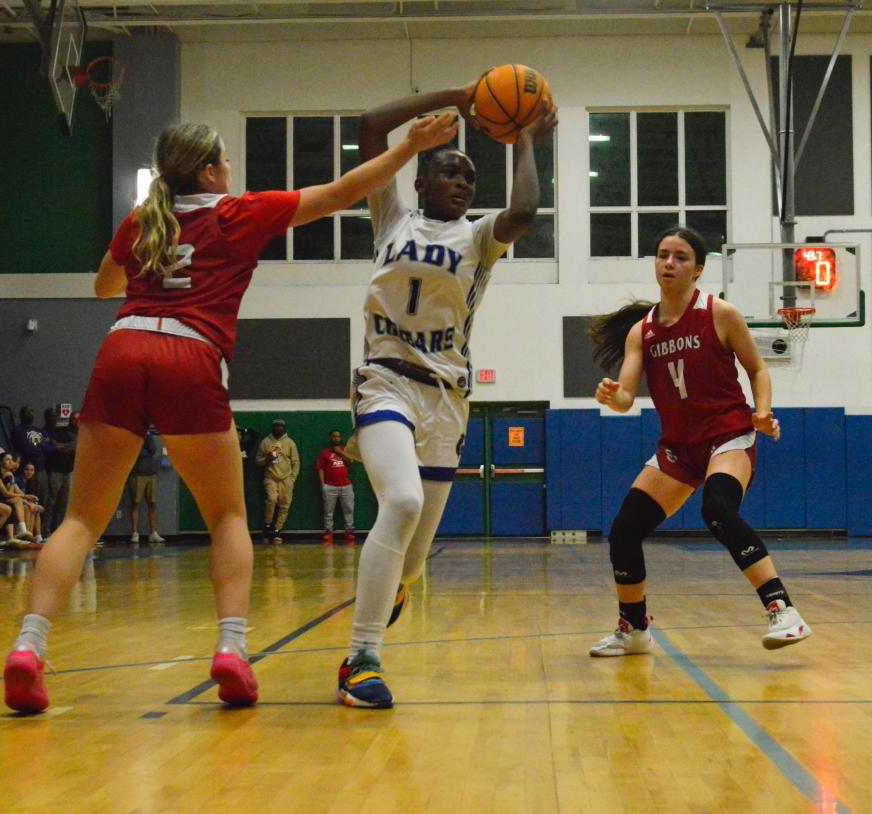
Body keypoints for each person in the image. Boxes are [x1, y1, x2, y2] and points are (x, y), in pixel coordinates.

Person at [1, 115, 459, 714]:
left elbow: (103, 286)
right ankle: (231, 651)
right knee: (225, 516)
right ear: (212, 170)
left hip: (123, 347)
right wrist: (411, 147)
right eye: (226, 162)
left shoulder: (144, 220)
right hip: (190, 354)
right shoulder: (236, 211)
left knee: (82, 519)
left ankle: (29, 647)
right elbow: (345, 191)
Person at [337, 85, 557, 708]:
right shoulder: (392, 216)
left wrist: (526, 141)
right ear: (422, 179)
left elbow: (526, 211)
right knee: (401, 501)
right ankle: (362, 659)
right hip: (385, 378)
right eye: (449, 171)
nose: (461, 182)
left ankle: (394, 584)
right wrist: (458, 97)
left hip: (447, 399)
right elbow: (370, 120)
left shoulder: (482, 235)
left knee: (412, 560)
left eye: (469, 175)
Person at [586, 225, 811, 657]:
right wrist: (614, 397)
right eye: (662, 255)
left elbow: (758, 370)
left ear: (698, 269)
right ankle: (634, 630)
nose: (668, 263)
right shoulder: (643, 331)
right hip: (679, 449)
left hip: (728, 436)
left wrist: (761, 413)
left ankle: (783, 610)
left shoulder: (719, 313)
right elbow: (628, 395)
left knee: (718, 509)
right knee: (624, 531)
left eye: (680, 257)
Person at [255, 419, 300, 544]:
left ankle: (277, 530)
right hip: (271, 477)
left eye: (281, 426)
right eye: (276, 426)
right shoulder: (265, 442)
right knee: (272, 499)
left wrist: (292, 478)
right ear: (272, 428)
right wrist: (267, 459)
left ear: (284, 428)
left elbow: (296, 462)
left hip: (286, 478)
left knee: (284, 504)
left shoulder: (290, 443)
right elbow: (258, 461)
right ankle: (267, 526)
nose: (278, 428)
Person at [315, 430, 355, 544]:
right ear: (330, 438)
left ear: (341, 438)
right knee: (328, 511)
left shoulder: (345, 450)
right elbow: (320, 469)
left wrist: (340, 453)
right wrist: (323, 485)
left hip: (346, 486)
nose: (336, 438)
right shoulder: (324, 453)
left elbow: (351, 460)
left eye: (338, 436)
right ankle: (328, 532)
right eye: (334, 436)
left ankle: (349, 532)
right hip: (330, 487)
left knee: (349, 509)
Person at [128, 431, 165, 545]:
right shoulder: (132, 435)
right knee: (136, 502)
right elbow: (136, 452)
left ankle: (153, 532)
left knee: (152, 503)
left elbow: (153, 449)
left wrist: (146, 438)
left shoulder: (147, 436)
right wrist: (145, 450)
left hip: (150, 472)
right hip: (137, 474)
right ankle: (134, 532)